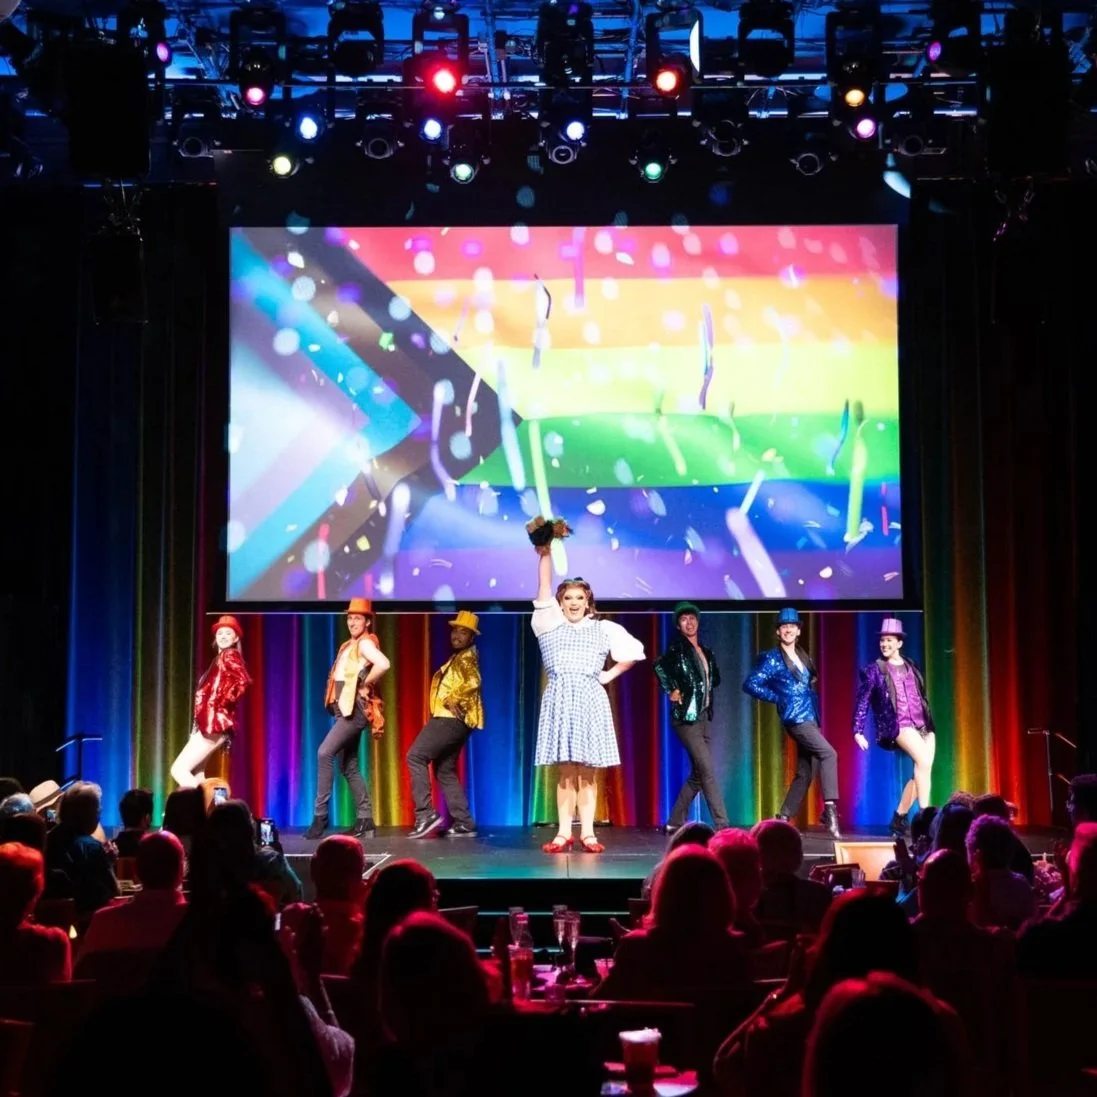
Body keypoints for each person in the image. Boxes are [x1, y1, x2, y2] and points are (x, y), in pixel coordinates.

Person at [527, 516, 644, 853]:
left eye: (580, 598)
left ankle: (589, 832)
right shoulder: (547, 622)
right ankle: (564, 832)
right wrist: (545, 553)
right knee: (566, 772)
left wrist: (608, 675)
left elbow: (634, 652)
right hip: (561, 697)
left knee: (589, 772)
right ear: (561, 603)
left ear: (587, 601)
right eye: (569, 598)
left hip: (591, 699)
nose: (574, 603)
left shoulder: (603, 628)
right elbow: (543, 588)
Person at [743, 607, 840, 839]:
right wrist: (779, 698)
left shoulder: (802, 654)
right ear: (778, 632)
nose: (788, 629)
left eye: (792, 626)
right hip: (795, 717)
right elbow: (750, 684)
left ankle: (783, 817)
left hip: (810, 716)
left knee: (806, 772)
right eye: (784, 626)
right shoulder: (772, 658)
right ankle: (830, 810)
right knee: (829, 754)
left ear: (798, 631)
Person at [306, 598, 390, 840]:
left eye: (358, 618)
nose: (352, 622)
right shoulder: (349, 645)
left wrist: (366, 684)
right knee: (348, 765)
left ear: (367, 622)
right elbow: (343, 679)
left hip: (355, 710)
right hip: (345, 709)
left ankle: (320, 816)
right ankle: (366, 821)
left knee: (324, 753)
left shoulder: (364, 643)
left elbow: (384, 663)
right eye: (350, 618)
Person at [852, 617, 936, 837]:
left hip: (924, 723)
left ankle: (899, 817)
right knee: (924, 763)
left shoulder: (911, 665)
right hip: (900, 725)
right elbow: (863, 700)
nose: (885, 644)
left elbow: (920, 694)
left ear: (899, 643)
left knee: (922, 771)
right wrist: (857, 730)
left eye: (889, 640)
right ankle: (925, 818)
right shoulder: (875, 670)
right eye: (883, 641)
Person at [407, 610, 484, 839]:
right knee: (444, 769)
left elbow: (474, 681)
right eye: (455, 630)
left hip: (449, 719)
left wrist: (455, 697)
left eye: (463, 632)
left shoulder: (467, 657)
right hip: (457, 721)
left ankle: (425, 814)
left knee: (415, 756)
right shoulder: (459, 657)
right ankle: (464, 822)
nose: (457, 635)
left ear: (472, 637)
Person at [654, 601, 729, 833]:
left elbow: (714, 679)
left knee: (698, 774)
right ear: (678, 625)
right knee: (706, 769)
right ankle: (722, 824)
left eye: (692, 618)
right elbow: (659, 666)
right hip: (686, 718)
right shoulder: (678, 648)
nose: (689, 622)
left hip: (704, 716)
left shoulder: (705, 651)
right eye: (684, 619)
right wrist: (671, 688)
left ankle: (674, 821)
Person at [171, 615, 252, 789]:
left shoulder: (229, 655)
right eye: (219, 633)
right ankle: (209, 812)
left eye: (228, 633)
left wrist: (222, 702)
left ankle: (200, 807)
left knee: (179, 769)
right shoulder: (219, 659)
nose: (222, 636)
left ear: (236, 637)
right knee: (198, 773)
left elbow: (242, 680)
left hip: (214, 722)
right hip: (207, 723)